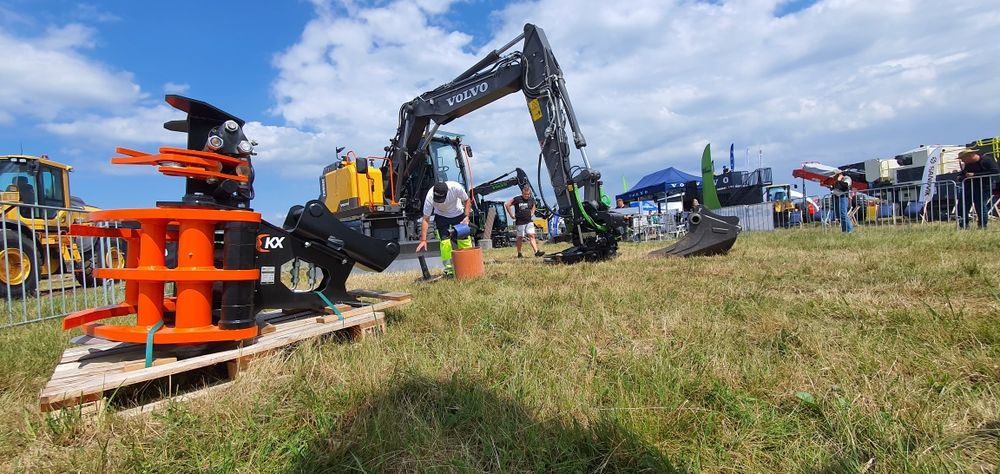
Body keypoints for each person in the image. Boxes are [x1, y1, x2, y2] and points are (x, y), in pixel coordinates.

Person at [415, 181, 473, 276]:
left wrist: (466, 217)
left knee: (464, 240)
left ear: (447, 192)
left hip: (458, 214)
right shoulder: (430, 197)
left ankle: (468, 265)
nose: (439, 201)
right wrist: (423, 240)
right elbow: (426, 219)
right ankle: (449, 269)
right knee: (445, 243)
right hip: (441, 216)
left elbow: (467, 200)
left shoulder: (456, 188)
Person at [957, 149, 999, 229]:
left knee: (980, 206)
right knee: (962, 206)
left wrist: (975, 175)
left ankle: (982, 226)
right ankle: (963, 226)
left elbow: (995, 171)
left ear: (970, 156)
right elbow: (964, 173)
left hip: (983, 187)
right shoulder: (968, 164)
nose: (962, 160)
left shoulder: (987, 160)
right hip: (968, 187)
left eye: (962, 158)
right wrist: (960, 176)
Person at [505, 185, 545, 258]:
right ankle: (519, 253)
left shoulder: (531, 199)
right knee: (520, 237)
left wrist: (532, 213)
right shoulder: (517, 199)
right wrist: (511, 215)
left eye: (528, 194)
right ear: (522, 193)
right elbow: (507, 204)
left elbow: (534, 205)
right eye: (525, 194)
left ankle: (536, 252)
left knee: (531, 235)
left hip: (529, 221)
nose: (526, 196)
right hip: (520, 222)